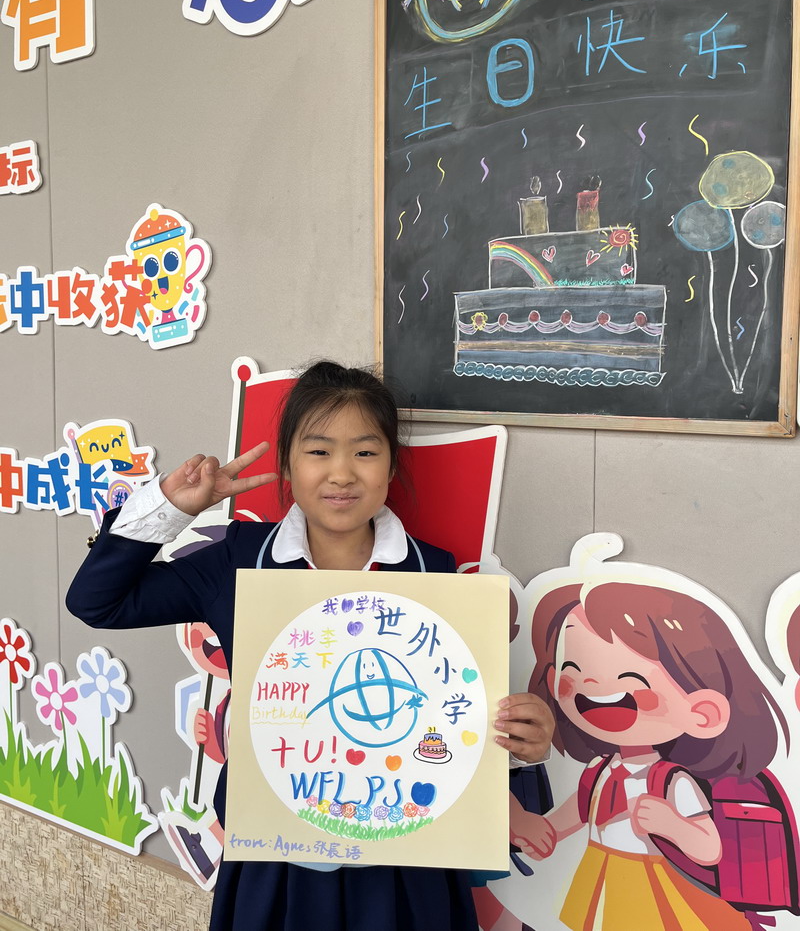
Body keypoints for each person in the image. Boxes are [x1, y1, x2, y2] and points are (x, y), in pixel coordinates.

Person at [67, 360, 555, 931]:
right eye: (319, 451)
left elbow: (453, 726)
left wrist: (521, 742)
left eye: (365, 452)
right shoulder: (239, 560)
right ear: (288, 465)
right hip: (277, 858)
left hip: (404, 866)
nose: (341, 473)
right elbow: (98, 602)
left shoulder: (434, 574)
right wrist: (172, 509)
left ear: (391, 465)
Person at [510, 579, 789, 931]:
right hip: (603, 883)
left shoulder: (672, 779)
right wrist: (523, 823)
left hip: (661, 889)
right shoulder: (597, 773)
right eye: (572, 672)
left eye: (629, 679)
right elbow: (557, 827)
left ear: (703, 713)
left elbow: (709, 848)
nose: (590, 686)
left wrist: (674, 826)